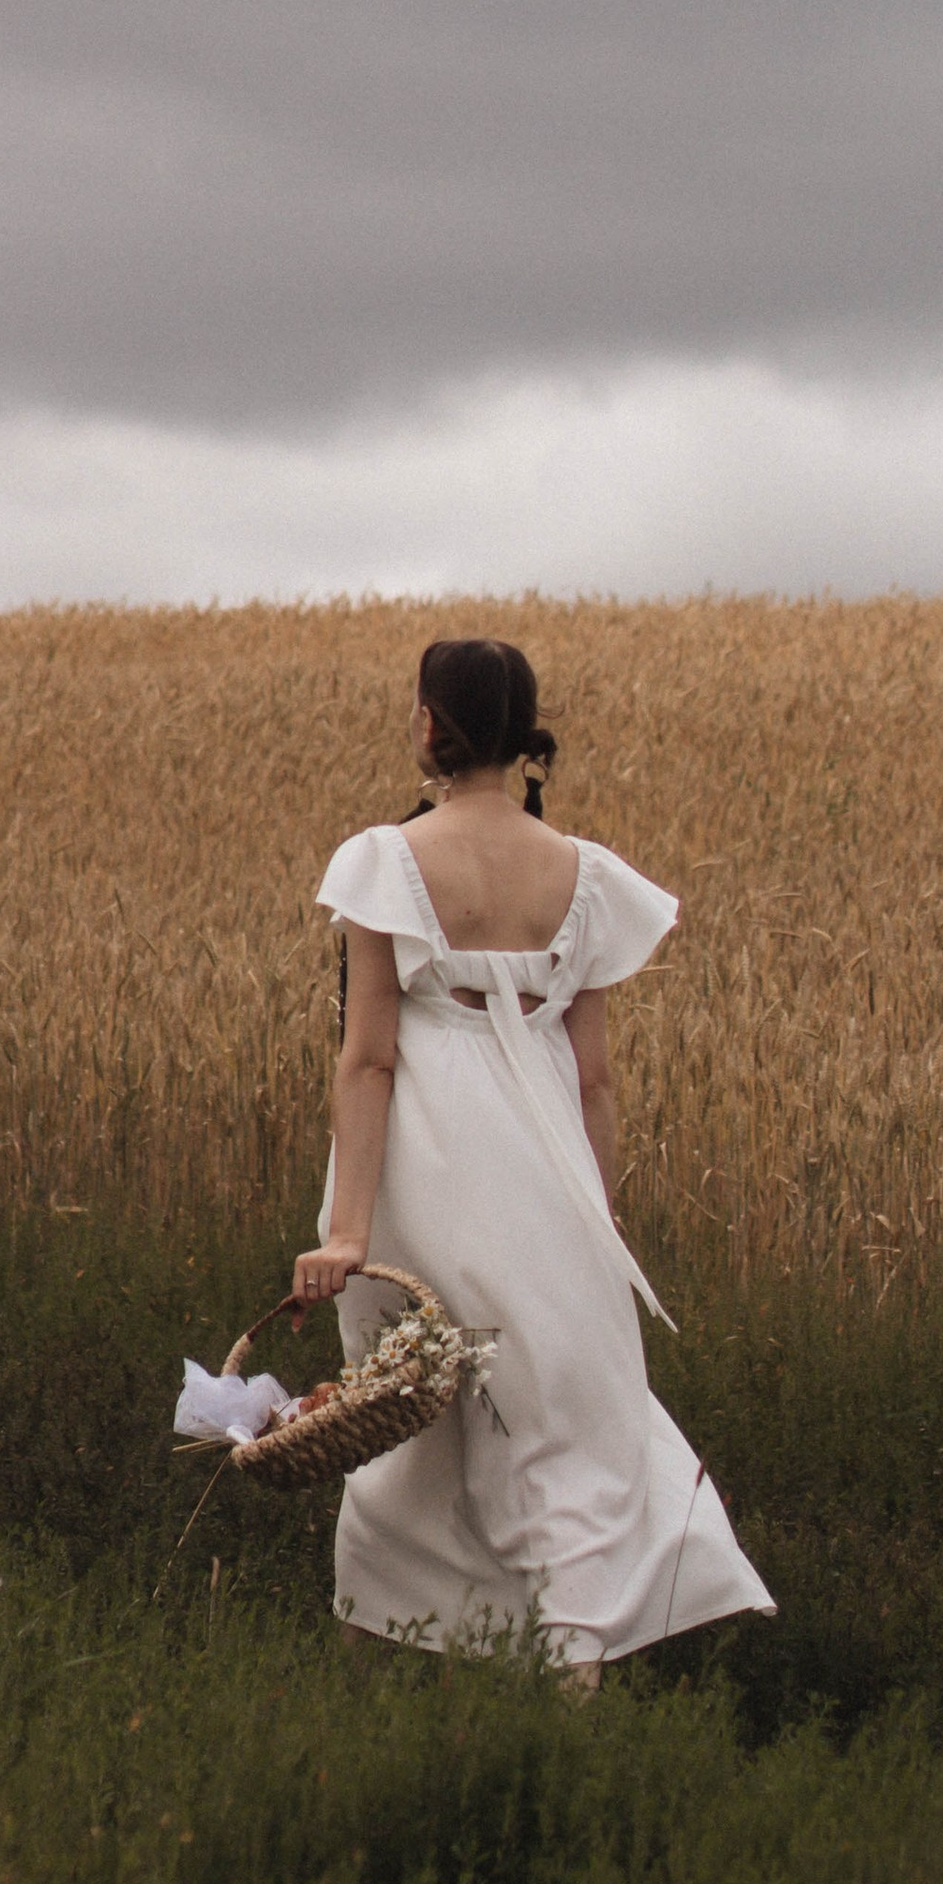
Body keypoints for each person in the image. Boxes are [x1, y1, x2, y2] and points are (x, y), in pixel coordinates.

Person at [291, 636, 773, 1676]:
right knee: (560, 1426)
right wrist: (592, 1225)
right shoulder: (584, 875)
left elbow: (368, 1060)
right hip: (545, 1172)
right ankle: (570, 1665)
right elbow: (592, 1077)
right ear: (523, 732)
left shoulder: (385, 858)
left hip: (422, 1172)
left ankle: (386, 1666)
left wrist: (346, 1233)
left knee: (403, 1421)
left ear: (430, 724)